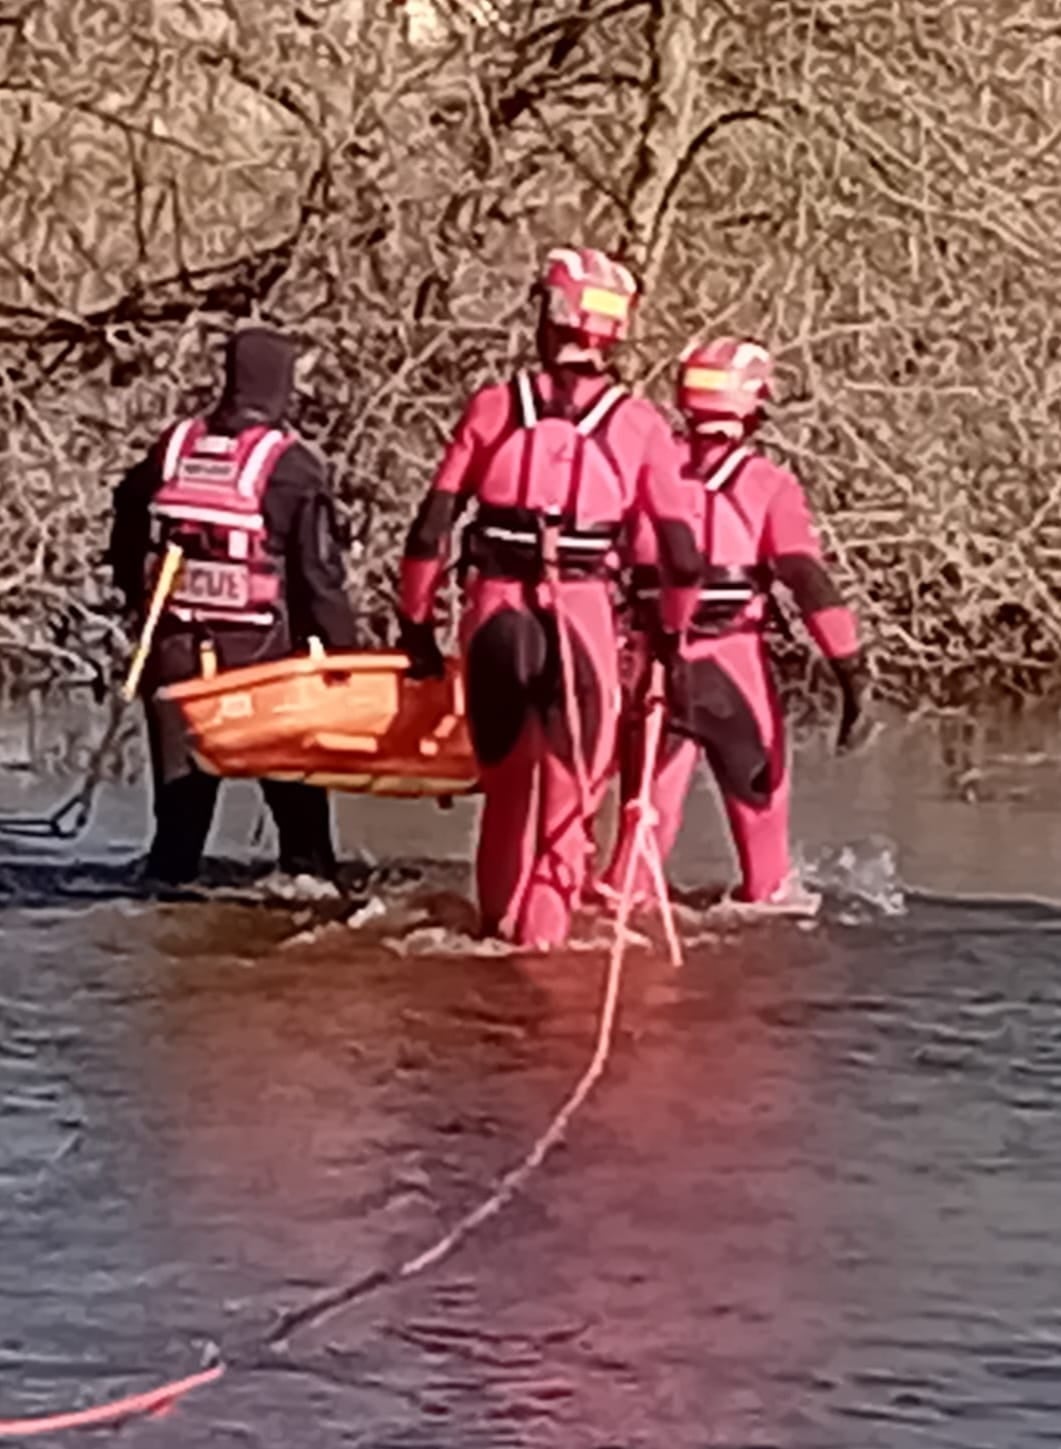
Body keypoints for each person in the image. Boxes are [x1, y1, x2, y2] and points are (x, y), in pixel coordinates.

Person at [396, 246, 702, 948]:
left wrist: (415, 631)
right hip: (582, 618)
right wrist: (671, 646)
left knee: (505, 799)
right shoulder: (639, 426)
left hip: (495, 617)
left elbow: (428, 533)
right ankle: (540, 974)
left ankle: (493, 958)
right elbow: (681, 557)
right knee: (569, 809)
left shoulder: (494, 407)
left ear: (546, 317)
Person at [598, 336, 872, 909]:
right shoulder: (768, 487)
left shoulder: (646, 470)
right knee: (768, 863)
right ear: (754, 406)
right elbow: (809, 584)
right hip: (732, 667)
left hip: (654, 669)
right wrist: (851, 678)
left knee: (641, 834)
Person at [108, 324, 357, 896]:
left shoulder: (173, 447)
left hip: (174, 661)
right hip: (262, 669)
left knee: (176, 839)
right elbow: (319, 580)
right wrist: (345, 662)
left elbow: (126, 513)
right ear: (282, 387)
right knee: (304, 844)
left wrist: (133, 593)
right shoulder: (292, 467)